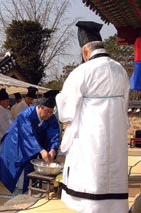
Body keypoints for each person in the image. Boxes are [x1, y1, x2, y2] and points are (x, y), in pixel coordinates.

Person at [55, 21, 130, 213]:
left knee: (90, 190)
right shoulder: (121, 70)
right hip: (115, 138)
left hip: (91, 140)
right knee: (111, 192)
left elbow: (65, 112)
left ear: (85, 52)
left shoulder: (82, 71)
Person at [0, 90, 60, 194]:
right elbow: (28, 135)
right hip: (16, 145)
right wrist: (42, 151)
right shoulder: (26, 115)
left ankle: (26, 192)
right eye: (47, 111)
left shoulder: (51, 118)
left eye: (51, 112)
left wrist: (52, 149)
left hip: (33, 148)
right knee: (18, 175)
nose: (49, 115)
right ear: (39, 107)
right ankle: (17, 196)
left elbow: (54, 135)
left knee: (28, 174)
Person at [0, 88, 13, 168]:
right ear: (2, 101)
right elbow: (2, 127)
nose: (8, 102)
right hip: (1, 137)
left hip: (8, 137)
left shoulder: (7, 111)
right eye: (7, 101)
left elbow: (11, 123)